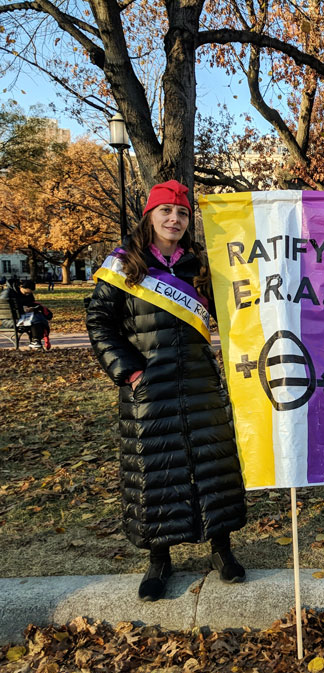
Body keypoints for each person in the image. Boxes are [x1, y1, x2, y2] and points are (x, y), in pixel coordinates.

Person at [86, 180, 247, 602]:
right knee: (155, 470)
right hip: (149, 386)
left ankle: (222, 549)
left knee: (213, 464)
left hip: (199, 383)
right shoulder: (124, 265)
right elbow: (99, 323)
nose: (174, 220)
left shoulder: (201, 266)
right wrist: (129, 372)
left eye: (182, 213)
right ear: (150, 216)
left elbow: (233, 315)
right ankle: (159, 560)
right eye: (166, 212)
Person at [5, 279, 51, 349]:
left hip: (23, 317)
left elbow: (31, 303)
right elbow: (6, 308)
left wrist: (32, 308)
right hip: (10, 320)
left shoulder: (29, 294)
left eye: (29, 293)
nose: (27, 295)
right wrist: (21, 310)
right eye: (26, 293)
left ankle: (36, 341)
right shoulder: (8, 293)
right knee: (37, 319)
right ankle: (36, 340)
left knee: (38, 317)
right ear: (21, 287)